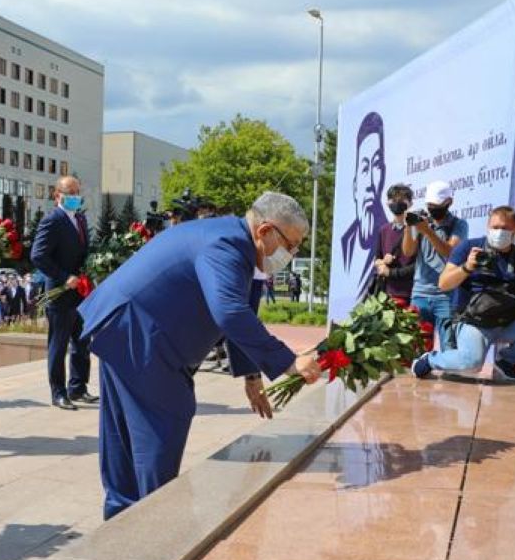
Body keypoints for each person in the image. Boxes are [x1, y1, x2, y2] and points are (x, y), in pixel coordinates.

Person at [79, 191, 323, 519]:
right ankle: (153, 519)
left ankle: (122, 515)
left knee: (124, 431)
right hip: (141, 334)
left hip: (125, 326)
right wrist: (288, 361)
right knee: (162, 422)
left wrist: (251, 375)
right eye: (290, 244)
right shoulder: (226, 246)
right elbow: (230, 312)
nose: (291, 254)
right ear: (265, 231)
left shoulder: (235, 242)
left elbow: (242, 309)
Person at [411, 206, 515, 381]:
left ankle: (506, 362)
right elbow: (444, 284)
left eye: (505, 228)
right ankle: (431, 359)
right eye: (495, 227)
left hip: (508, 319)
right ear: (487, 227)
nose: (499, 232)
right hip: (473, 319)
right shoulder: (468, 248)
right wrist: (467, 267)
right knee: (472, 364)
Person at [31, 175, 96, 410]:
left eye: (77, 192)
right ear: (57, 195)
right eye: (70, 192)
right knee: (58, 345)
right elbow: (38, 255)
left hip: (81, 291)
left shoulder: (80, 218)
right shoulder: (52, 220)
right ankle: (58, 392)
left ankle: (78, 387)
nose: (75, 197)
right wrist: (63, 277)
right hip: (60, 293)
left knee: (82, 341)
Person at [402, 180, 467, 351]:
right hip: (420, 293)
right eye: (430, 205)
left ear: (449, 203)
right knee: (416, 346)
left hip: (446, 295)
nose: (433, 209)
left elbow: (450, 252)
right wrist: (409, 227)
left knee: (449, 347)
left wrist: (427, 231)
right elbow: (408, 252)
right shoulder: (421, 221)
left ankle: (451, 376)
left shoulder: (459, 225)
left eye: (437, 205)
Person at [338, 111, 389, 301]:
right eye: (364, 168)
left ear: (383, 174)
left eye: (376, 166)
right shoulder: (346, 242)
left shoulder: (387, 236)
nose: (369, 183)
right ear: (354, 185)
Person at [371, 183, 417, 302]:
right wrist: (381, 263)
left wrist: (391, 273)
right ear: (387, 203)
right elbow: (377, 259)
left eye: (402, 200)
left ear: (410, 204)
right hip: (386, 294)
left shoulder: (417, 229)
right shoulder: (383, 230)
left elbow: (418, 265)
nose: (397, 203)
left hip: (410, 295)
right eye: (393, 199)